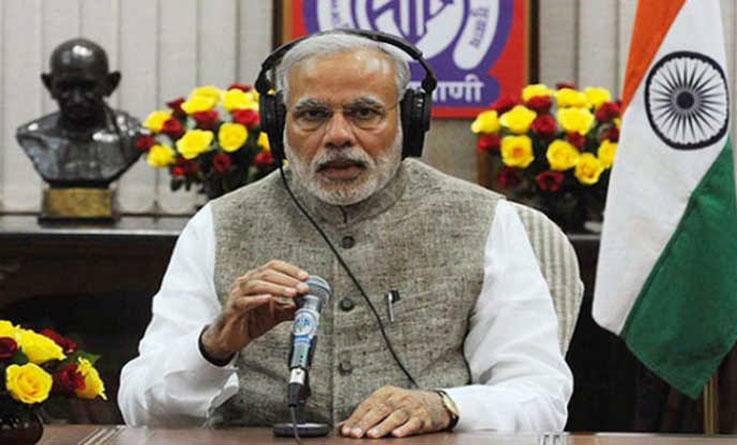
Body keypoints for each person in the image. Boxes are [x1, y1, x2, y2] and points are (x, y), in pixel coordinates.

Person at [118, 31, 573, 439]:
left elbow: (541, 397)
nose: (338, 135)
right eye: (312, 114)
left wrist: (445, 406)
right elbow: (140, 407)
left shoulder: (484, 220)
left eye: (364, 113)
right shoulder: (219, 223)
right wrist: (214, 346)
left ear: (409, 120)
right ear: (278, 124)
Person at [16, 38, 141, 187]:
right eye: (65, 88)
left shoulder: (131, 135)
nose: (77, 99)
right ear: (49, 86)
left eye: (88, 87)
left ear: (110, 84)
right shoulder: (33, 136)